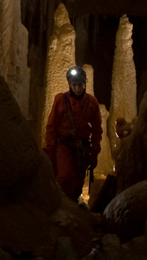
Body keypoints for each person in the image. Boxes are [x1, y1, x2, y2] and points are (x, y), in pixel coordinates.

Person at [44, 66, 103, 201]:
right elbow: (51, 126)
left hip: (82, 147)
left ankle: (73, 204)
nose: (77, 88)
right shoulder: (60, 100)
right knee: (64, 176)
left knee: (78, 180)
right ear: (70, 85)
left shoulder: (92, 102)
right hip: (63, 145)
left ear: (85, 84)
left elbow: (97, 130)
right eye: (74, 85)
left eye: (80, 85)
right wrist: (50, 149)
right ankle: (62, 203)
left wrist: (94, 153)